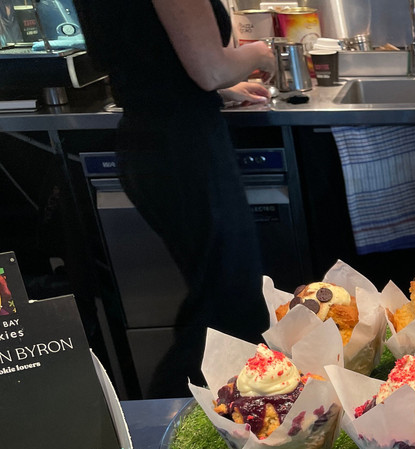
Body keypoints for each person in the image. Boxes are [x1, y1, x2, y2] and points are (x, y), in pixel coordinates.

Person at [73, 0, 277, 397]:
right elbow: (211, 70)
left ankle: (196, 413)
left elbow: (155, 61)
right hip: (184, 149)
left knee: (218, 299)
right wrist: (259, 52)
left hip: (155, 143)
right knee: (231, 311)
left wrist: (223, 91)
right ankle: (169, 417)